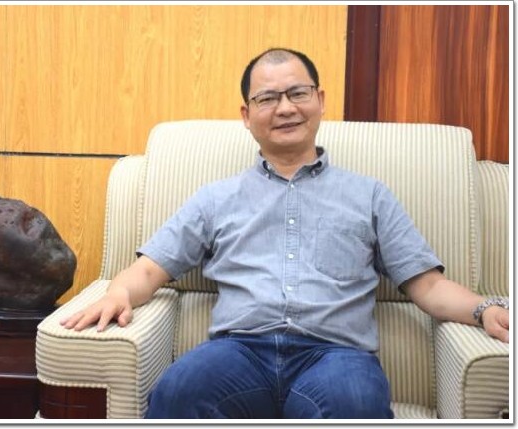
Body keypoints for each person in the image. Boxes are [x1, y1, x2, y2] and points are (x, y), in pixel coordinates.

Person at [60, 48, 510, 419]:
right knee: (179, 391)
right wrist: (118, 292)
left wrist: (484, 309)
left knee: (355, 404)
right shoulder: (216, 198)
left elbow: (426, 285)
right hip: (238, 351)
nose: (286, 108)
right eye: (268, 98)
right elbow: (150, 269)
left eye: (298, 93)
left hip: (337, 355)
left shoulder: (369, 195)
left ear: (320, 100)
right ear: (247, 114)